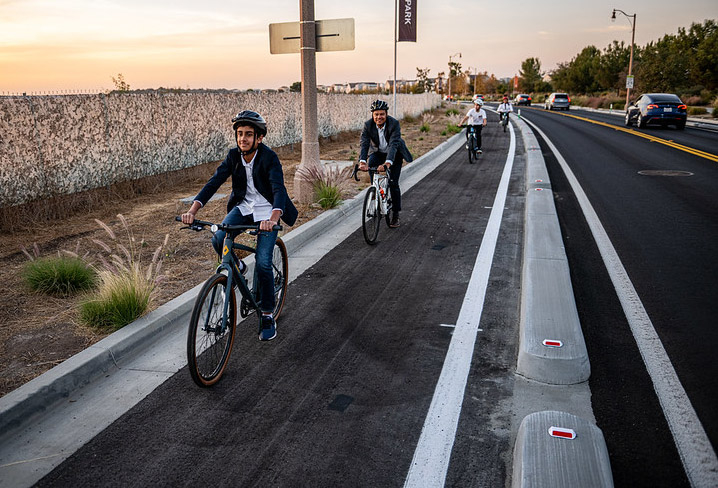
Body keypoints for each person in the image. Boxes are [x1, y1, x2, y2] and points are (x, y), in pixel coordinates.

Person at [181, 110, 297, 342]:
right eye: (239, 134)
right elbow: (214, 182)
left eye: (248, 135)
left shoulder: (269, 158)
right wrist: (193, 210)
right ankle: (240, 268)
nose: (242, 139)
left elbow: (278, 190)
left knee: (264, 263)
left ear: (259, 138)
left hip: (267, 211)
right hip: (244, 208)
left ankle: (266, 314)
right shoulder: (233, 156)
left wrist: (273, 220)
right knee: (218, 237)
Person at [359, 100, 413, 228]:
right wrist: (362, 161)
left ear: (386, 114)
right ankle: (375, 193)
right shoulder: (368, 125)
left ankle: (395, 214)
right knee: (372, 165)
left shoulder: (394, 124)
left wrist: (388, 163)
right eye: (376, 114)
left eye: (382, 114)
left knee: (393, 184)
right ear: (372, 115)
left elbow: (394, 144)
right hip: (377, 153)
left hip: (394, 154)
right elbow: (364, 143)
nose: (379, 117)